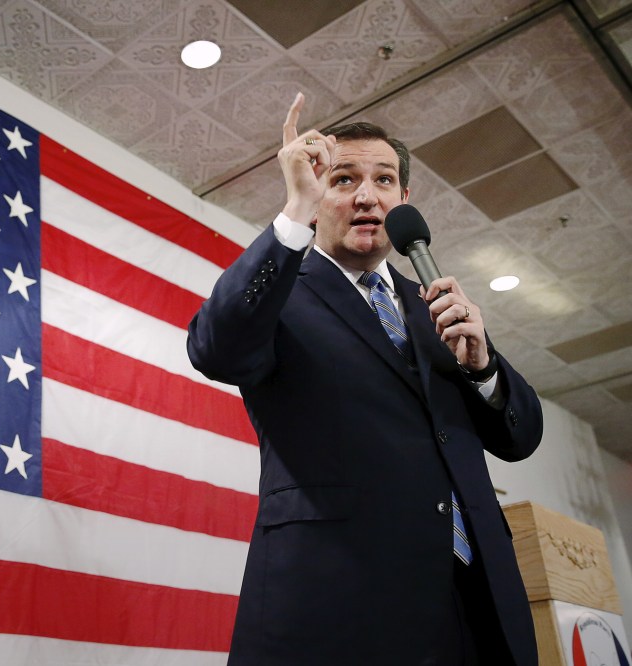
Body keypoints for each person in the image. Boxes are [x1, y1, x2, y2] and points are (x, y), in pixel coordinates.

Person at [187, 92, 543, 665]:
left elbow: (520, 437)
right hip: (340, 603)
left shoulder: (435, 305)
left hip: (474, 605)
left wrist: (484, 368)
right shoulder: (281, 292)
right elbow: (215, 349)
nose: (365, 195)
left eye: (383, 180)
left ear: (404, 199)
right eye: (343, 178)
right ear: (318, 196)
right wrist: (293, 206)